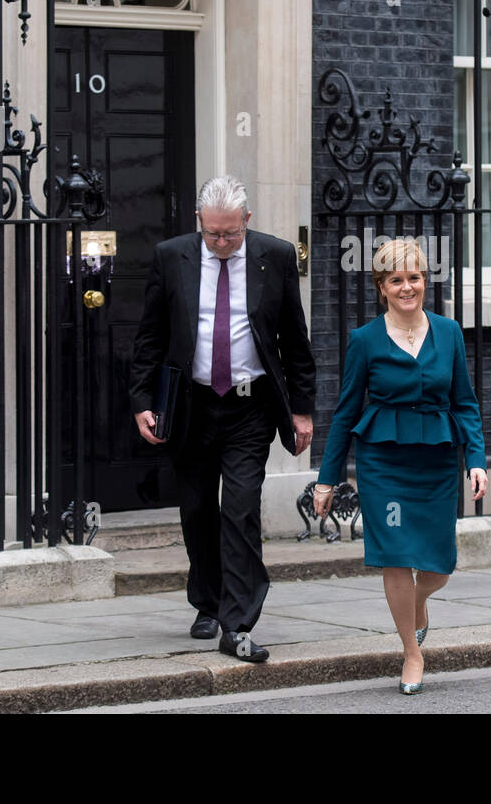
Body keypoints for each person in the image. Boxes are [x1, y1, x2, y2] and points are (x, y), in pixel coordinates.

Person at [129, 175, 316, 662]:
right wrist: (141, 400)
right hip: (189, 405)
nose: (222, 243)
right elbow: (149, 337)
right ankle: (206, 602)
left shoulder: (274, 257)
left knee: (240, 510)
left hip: (249, 408)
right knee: (196, 511)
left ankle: (237, 624)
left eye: (230, 233)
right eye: (213, 234)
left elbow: (296, 341)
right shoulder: (172, 257)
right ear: (199, 224)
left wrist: (301, 411)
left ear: (246, 222)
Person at [314, 237, 488, 694]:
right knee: (394, 556)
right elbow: (346, 413)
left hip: (434, 458)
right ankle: (412, 654)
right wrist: (326, 479)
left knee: (438, 566)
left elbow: (465, 403)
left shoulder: (448, 332)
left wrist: (476, 461)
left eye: (414, 277)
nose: (407, 287)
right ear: (382, 286)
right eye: (397, 280)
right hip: (383, 464)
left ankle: (419, 603)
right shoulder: (365, 341)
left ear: (424, 280)